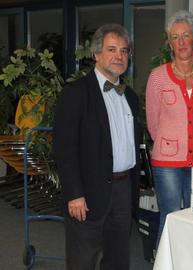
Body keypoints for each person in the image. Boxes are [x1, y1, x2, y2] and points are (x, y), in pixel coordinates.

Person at [53, 24, 140, 270]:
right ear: (96, 54)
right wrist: (74, 194)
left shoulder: (131, 97)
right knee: (83, 259)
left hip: (123, 190)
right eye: (111, 49)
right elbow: (64, 148)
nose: (119, 56)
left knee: (118, 258)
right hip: (88, 192)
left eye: (124, 51)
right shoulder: (75, 93)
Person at [146, 10, 193, 247]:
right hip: (167, 163)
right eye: (175, 37)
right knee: (170, 218)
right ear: (169, 43)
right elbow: (153, 123)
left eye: (185, 35)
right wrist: (171, 146)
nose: (181, 42)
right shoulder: (157, 77)